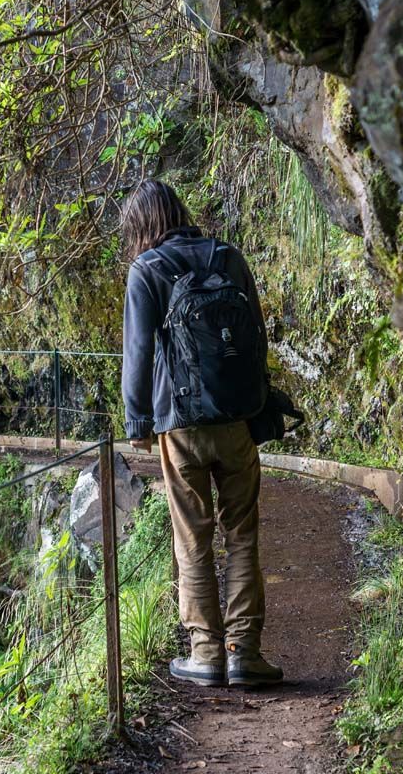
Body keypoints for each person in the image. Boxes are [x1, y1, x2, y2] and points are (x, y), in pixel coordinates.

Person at [119, 179, 283, 688]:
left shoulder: (146, 270)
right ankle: (245, 653)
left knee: (191, 537)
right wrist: (260, 406)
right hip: (235, 420)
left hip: (181, 425)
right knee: (242, 534)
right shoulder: (227, 257)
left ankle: (207, 653)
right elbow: (255, 335)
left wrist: (138, 422)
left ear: (143, 224)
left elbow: (139, 354)